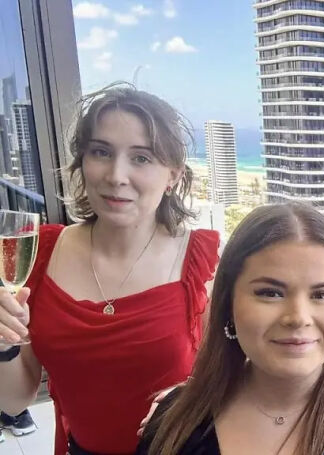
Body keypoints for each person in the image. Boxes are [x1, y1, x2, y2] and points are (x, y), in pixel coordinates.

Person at [0, 83, 219, 455]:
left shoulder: (204, 263)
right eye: (101, 152)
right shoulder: (42, 253)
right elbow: (15, 400)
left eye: (141, 158)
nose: (116, 175)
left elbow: (235, 379)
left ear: (173, 175)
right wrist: (4, 345)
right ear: (82, 162)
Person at [137, 203, 324, 455]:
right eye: (270, 293)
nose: (298, 318)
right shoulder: (177, 424)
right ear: (228, 303)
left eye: (322, 295)